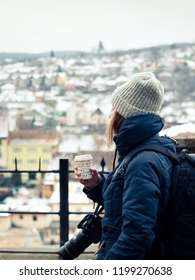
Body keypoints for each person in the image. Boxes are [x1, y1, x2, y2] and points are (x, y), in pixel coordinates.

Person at [75, 72, 176, 260]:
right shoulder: (144, 150)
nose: (109, 114)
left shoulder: (143, 163)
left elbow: (136, 236)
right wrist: (96, 184)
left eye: (114, 108)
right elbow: (126, 203)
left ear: (124, 114)